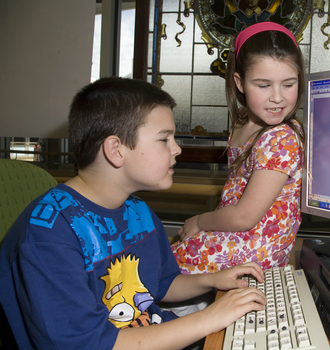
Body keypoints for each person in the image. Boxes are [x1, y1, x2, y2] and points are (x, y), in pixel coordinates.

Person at [0, 77, 266, 350]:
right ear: (116, 150)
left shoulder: (138, 212)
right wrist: (210, 319)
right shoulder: (49, 235)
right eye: (164, 138)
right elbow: (88, 344)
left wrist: (212, 280)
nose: (177, 149)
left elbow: (160, 283)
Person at [172, 22, 305, 275]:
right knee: (164, 257)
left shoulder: (281, 138)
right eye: (263, 85)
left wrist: (200, 220)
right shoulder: (243, 120)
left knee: (161, 268)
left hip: (255, 247)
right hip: (234, 232)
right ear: (240, 83)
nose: (277, 97)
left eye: (288, 84)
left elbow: (245, 217)